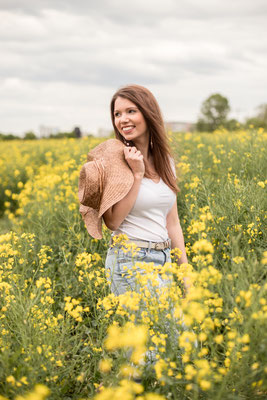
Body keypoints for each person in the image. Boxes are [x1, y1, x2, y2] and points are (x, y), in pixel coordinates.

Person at [102, 84, 190, 296]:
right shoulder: (113, 162)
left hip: (163, 259)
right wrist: (137, 175)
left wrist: (187, 277)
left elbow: (172, 222)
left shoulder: (166, 161)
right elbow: (112, 222)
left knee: (176, 327)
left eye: (131, 111)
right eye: (117, 114)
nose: (123, 119)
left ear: (148, 113)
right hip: (130, 261)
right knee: (172, 327)